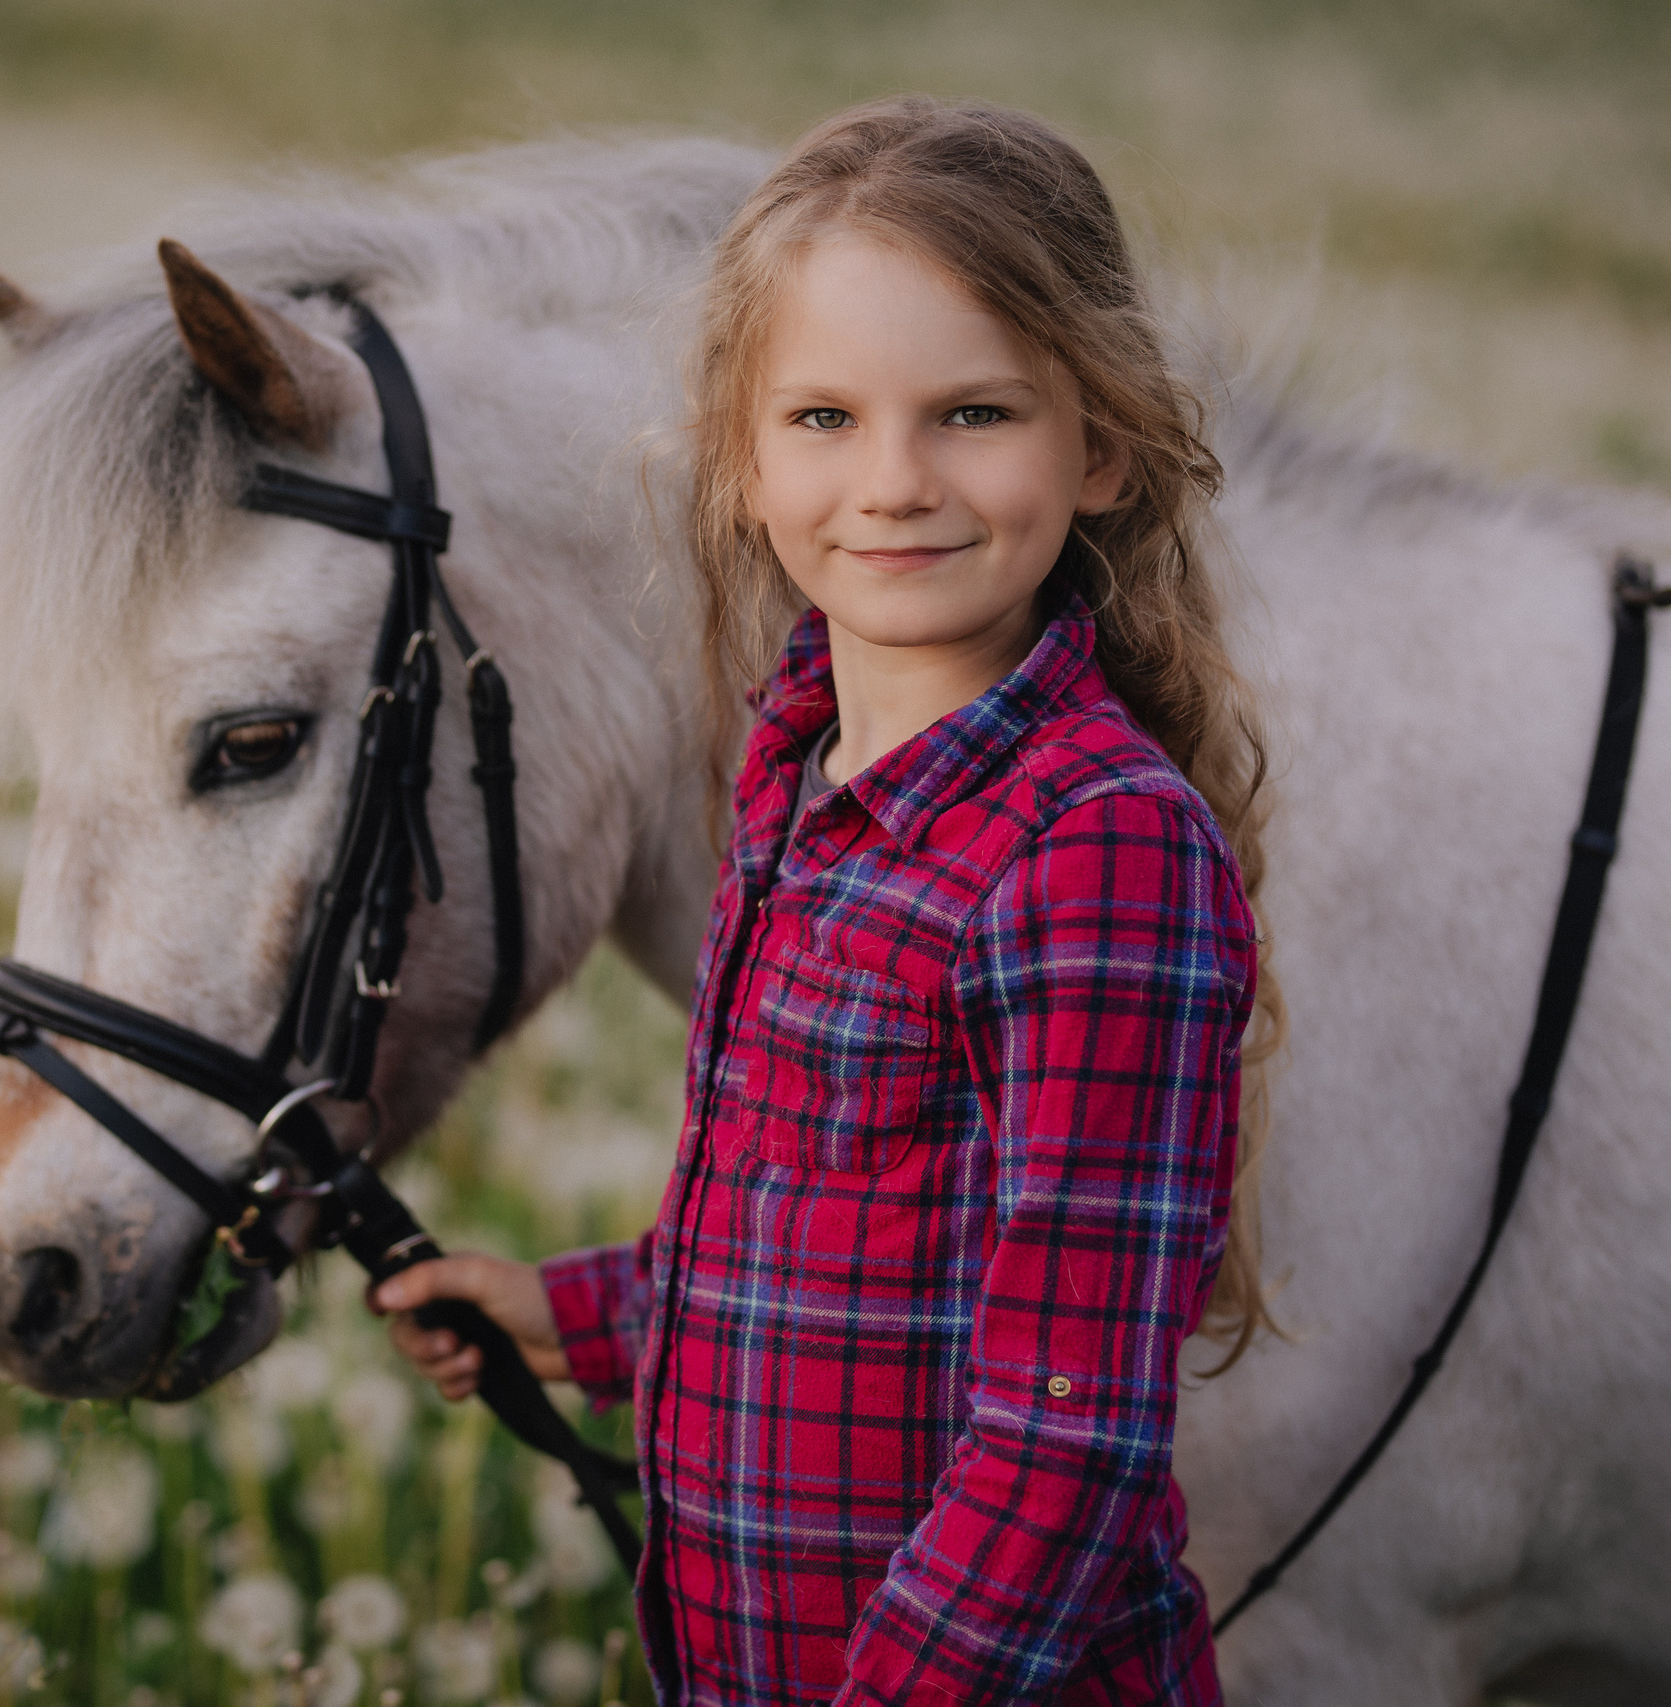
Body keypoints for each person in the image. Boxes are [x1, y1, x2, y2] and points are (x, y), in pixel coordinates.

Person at [371, 95, 1277, 1704]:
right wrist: (575, 1315)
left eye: (975, 414)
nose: (898, 482)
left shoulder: (1097, 853)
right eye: (825, 419)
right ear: (738, 456)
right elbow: (814, 1235)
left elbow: (1065, 1445)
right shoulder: (799, 783)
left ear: (1105, 446)